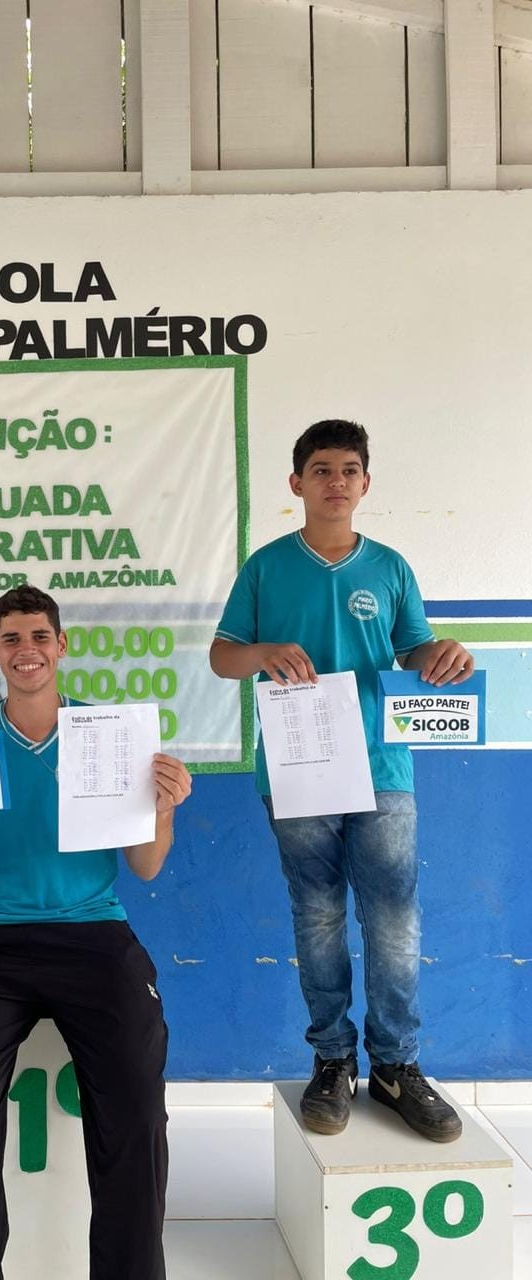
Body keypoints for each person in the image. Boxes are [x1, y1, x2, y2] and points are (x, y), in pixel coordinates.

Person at [0, 584, 192, 1280]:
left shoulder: (109, 736)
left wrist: (165, 807)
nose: (27, 651)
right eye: (12, 640)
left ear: (62, 646)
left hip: (93, 934)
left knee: (137, 1107)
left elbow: (145, 865)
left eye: (39, 637)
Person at [209, 420, 473, 1143]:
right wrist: (262, 652)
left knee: (395, 917)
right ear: (297, 483)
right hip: (297, 765)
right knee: (319, 914)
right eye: (321, 469)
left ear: (365, 483)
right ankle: (332, 1060)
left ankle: (396, 1065)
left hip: (382, 764)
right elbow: (222, 657)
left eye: (349, 469)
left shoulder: (390, 567)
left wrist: (442, 654)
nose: (336, 481)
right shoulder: (265, 567)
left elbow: (415, 650)